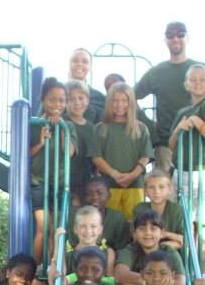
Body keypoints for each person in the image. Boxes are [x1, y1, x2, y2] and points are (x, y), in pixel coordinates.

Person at [134, 21, 205, 175]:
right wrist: (148, 124)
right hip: (166, 147)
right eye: (170, 35)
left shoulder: (202, 70)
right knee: (164, 195)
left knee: (197, 194)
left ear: (187, 38)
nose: (175, 39)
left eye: (180, 34)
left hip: (200, 145)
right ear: (165, 40)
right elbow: (130, 97)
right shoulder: (156, 72)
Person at [168, 63, 205, 271]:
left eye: (202, 79)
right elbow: (171, 144)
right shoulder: (183, 110)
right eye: (193, 80)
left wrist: (197, 123)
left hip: (202, 170)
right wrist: (179, 128)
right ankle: (186, 269)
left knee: (203, 221)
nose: (198, 83)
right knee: (185, 222)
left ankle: (201, 270)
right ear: (186, 84)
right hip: (182, 169)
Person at [30, 78, 78, 267]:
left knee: (57, 228)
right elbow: (24, 154)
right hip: (39, 181)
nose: (57, 104)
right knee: (44, 227)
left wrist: (61, 129)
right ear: (43, 100)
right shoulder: (35, 123)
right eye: (52, 99)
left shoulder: (68, 126)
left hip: (59, 182)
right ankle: (34, 268)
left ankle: (53, 266)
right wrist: (41, 142)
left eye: (61, 100)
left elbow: (70, 152)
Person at [92, 82, 154, 220]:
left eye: (124, 100)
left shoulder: (141, 128)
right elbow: (96, 157)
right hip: (108, 186)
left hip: (135, 185)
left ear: (130, 102)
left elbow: (146, 156)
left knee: (135, 222)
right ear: (109, 102)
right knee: (110, 222)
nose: (119, 104)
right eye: (115, 100)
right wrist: (114, 174)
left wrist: (132, 175)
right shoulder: (100, 128)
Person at [113, 210, 186, 285]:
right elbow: (120, 275)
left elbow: (180, 283)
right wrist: (153, 283)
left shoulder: (169, 251)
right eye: (142, 229)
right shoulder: (130, 250)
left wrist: (152, 284)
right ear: (135, 234)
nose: (148, 233)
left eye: (153, 229)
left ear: (162, 233)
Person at [49, 205, 115, 285]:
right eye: (83, 226)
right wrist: (57, 244)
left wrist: (73, 278)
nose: (88, 231)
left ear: (100, 229)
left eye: (93, 226)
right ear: (75, 229)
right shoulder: (67, 255)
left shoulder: (108, 253)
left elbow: (111, 282)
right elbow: (57, 280)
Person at [71, 176, 131, 252]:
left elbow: (122, 248)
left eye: (100, 193)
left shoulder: (117, 218)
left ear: (109, 196)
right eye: (89, 193)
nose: (94, 197)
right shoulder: (75, 217)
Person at [64, 79, 100, 202]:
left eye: (81, 98)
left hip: (84, 180)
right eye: (71, 99)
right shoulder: (61, 123)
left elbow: (94, 157)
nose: (77, 102)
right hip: (63, 179)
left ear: (88, 100)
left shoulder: (91, 128)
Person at [132, 168, 184, 250]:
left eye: (161, 187)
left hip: (169, 253)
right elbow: (135, 237)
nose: (156, 191)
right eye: (151, 187)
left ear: (169, 189)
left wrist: (166, 235)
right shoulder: (140, 208)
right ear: (145, 191)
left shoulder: (176, 209)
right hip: (143, 251)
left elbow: (184, 241)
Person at [68, 48, 106, 122]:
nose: (79, 64)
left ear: (90, 66)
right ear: (69, 64)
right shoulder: (57, 93)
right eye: (75, 60)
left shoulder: (100, 98)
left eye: (85, 61)